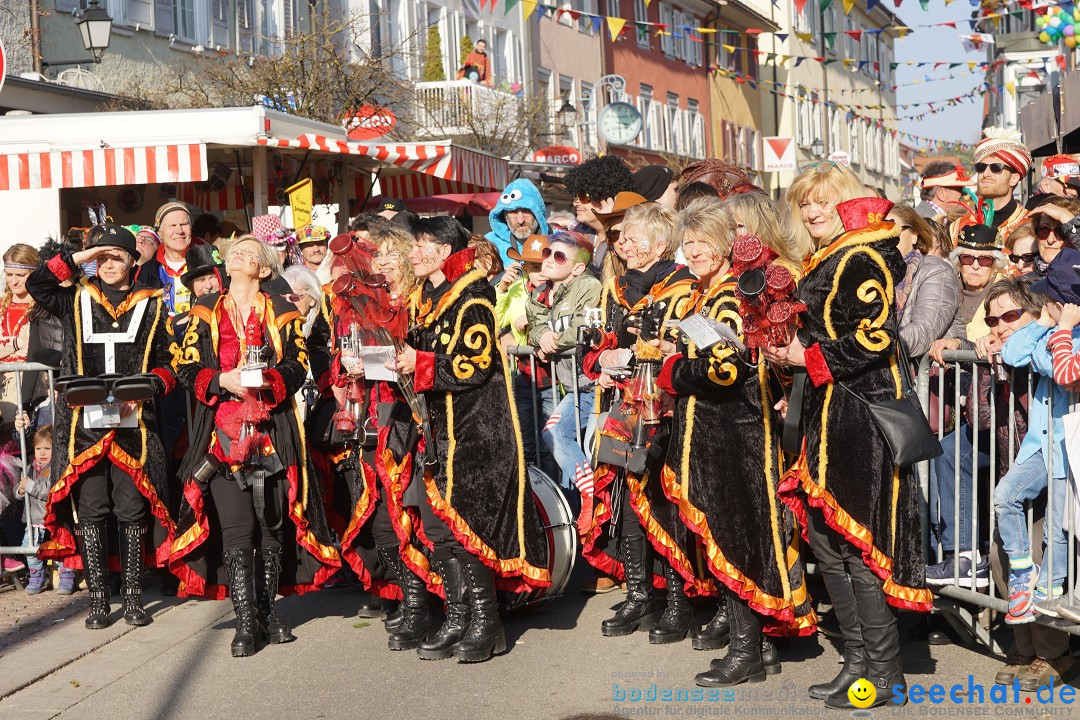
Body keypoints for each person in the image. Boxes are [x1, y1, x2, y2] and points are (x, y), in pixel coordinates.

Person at [765, 167, 931, 709]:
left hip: (862, 422)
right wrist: (795, 374)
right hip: (828, 419)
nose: (812, 212)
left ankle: (884, 674)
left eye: (822, 202)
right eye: (804, 204)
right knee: (826, 544)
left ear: (847, 202)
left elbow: (874, 337)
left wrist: (804, 359)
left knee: (856, 546)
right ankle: (857, 662)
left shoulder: (860, 255)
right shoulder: (827, 257)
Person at [657, 199, 815, 688]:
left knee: (737, 539)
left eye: (704, 242)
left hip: (736, 435)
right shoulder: (708, 293)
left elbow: (726, 369)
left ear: (726, 245)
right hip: (719, 435)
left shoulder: (728, 295)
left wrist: (672, 371)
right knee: (736, 536)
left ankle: (747, 651)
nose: (695, 250)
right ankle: (758, 648)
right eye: (689, 243)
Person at [168, 235, 341, 657]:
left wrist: (270, 383)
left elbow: (297, 365)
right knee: (236, 526)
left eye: (249, 253)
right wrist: (220, 381)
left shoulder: (282, 309)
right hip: (220, 431)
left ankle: (266, 612)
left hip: (271, 427)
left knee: (270, 525)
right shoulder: (204, 310)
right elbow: (186, 366)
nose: (238, 256)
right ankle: (246, 623)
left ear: (264, 269)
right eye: (235, 252)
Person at [392, 215, 550, 662]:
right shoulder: (425, 296)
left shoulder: (473, 294)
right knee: (441, 527)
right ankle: (458, 616)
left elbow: (474, 364)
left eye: (420, 244)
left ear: (444, 251)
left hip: (477, 429)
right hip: (439, 428)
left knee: (468, 527)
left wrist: (418, 364)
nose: (411, 253)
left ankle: (488, 623)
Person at [29, 224, 178, 630]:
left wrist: (147, 389)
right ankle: (98, 601)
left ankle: (132, 597)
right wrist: (79, 259)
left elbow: (171, 363)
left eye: (116, 256)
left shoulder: (155, 303)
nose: (108, 264)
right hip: (82, 428)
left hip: (135, 426)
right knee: (92, 510)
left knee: (132, 510)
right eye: (101, 257)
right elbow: (37, 283)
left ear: (134, 260)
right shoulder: (75, 296)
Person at [579, 201, 708, 637]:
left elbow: (682, 344)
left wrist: (637, 352)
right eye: (621, 238)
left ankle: (678, 599)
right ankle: (638, 594)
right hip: (622, 409)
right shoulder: (613, 286)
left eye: (632, 238)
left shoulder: (684, 286)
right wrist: (603, 355)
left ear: (659, 244)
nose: (624, 245)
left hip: (665, 409)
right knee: (626, 504)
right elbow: (597, 342)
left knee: (662, 501)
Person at [994, 248, 1080, 624]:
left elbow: (1058, 368)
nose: (1044, 302)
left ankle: (1050, 587)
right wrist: (1043, 322)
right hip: (1040, 445)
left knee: (1058, 531)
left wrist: (1056, 332)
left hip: (1068, 448)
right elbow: (1013, 353)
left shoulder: (1072, 336)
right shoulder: (1052, 327)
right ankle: (1022, 573)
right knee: (1005, 496)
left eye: (1051, 299)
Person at [526, 230, 602, 508]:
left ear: (578, 268)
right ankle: (581, 507)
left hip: (595, 386)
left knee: (561, 437)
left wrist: (551, 340)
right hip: (573, 388)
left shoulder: (589, 286)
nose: (548, 260)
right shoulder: (542, 292)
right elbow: (534, 327)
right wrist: (541, 335)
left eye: (558, 257)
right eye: (547, 253)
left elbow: (582, 329)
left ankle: (589, 496)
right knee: (564, 444)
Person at [497, 235, 558, 484]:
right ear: (525, 269)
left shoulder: (561, 287)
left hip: (553, 378)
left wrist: (533, 325)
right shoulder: (513, 290)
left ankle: (558, 502)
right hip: (523, 376)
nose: (540, 272)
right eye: (534, 267)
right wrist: (501, 290)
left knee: (550, 442)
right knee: (525, 443)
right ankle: (534, 501)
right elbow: (494, 321)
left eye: (543, 264)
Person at [886, 204, 962, 358]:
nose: (886, 238)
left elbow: (923, 332)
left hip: (930, 376)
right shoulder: (876, 273)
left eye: (893, 230)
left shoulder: (938, 272)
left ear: (914, 235)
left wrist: (873, 349)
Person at [948, 127, 1031, 249]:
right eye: (981, 167)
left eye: (996, 167)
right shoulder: (957, 228)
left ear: (1014, 178)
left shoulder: (1032, 225)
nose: (985, 174)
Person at [17, 425, 68, 594]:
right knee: (29, 548)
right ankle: (37, 575)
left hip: (54, 516)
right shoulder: (30, 467)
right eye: (38, 448)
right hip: (34, 519)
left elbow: (49, 490)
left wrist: (30, 486)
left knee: (60, 546)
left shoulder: (56, 467)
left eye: (47, 448)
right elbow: (18, 490)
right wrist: (20, 490)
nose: (42, 453)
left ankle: (66, 575)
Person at [564, 156, 635, 272]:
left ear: (605, 196)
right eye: (575, 196)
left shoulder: (626, 236)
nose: (575, 202)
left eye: (582, 196)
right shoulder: (578, 234)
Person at [0, 244, 39, 428]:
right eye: (9, 274)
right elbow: (23, 344)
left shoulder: (42, 307)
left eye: (20, 275)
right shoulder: (1, 305)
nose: (14, 281)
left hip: (34, 388)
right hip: (4, 387)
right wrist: (16, 343)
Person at [135, 202, 197, 317]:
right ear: (160, 233)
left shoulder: (205, 263)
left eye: (184, 224)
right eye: (172, 225)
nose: (179, 230)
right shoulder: (145, 270)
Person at [485, 179, 549, 267]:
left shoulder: (557, 242)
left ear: (538, 214)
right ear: (504, 215)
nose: (520, 220)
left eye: (526, 211)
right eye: (513, 212)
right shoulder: (489, 244)